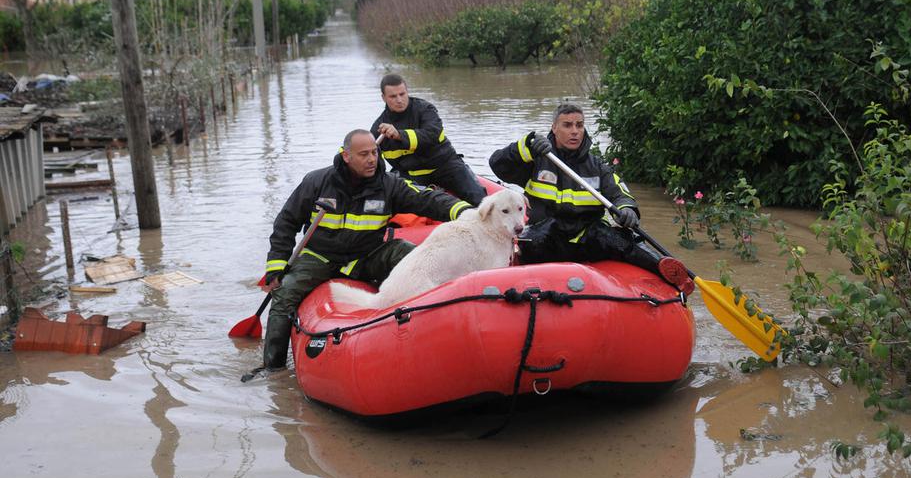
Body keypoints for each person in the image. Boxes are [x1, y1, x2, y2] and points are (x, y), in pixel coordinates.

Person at [261, 129, 473, 371]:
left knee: (407, 253)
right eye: (364, 154)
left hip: (367, 256)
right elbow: (286, 222)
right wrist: (276, 267)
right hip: (320, 257)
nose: (372, 159)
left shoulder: (388, 185)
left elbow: (428, 199)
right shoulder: (317, 182)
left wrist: (465, 212)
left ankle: (436, 327)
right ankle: (272, 369)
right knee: (285, 293)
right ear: (346, 156)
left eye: (374, 152)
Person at [488, 103, 695, 295]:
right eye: (567, 125)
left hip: (586, 235)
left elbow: (620, 193)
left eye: (579, 125)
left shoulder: (597, 166)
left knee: (621, 240)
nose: (575, 131)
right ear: (554, 128)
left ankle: (668, 273)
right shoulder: (537, 160)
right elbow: (498, 164)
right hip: (547, 233)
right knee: (530, 241)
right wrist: (526, 146)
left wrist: (628, 209)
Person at [371, 73, 486, 205]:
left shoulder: (425, 109)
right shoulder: (379, 128)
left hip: (446, 166)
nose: (399, 100)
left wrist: (399, 135)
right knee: (393, 205)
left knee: (479, 199)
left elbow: (431, 135)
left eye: (402, 94)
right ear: (383, 98)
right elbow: (368, 155)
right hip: (411, 174)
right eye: (393, 96)